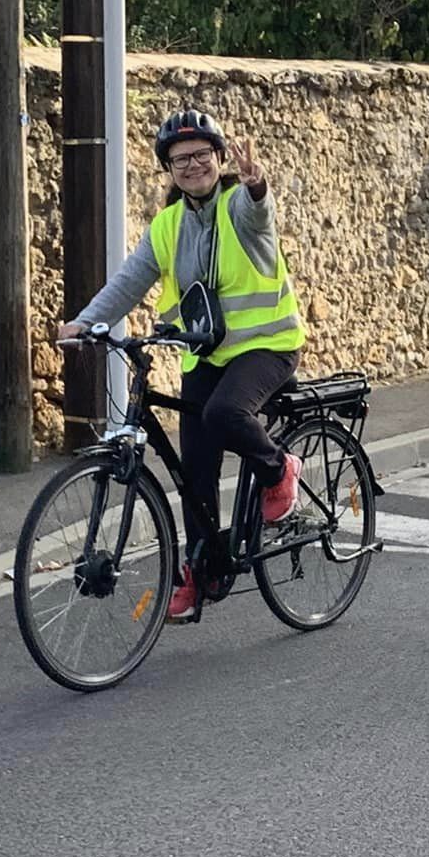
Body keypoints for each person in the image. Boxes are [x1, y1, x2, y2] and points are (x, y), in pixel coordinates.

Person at [59, 108, 306, 621]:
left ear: (219, 159)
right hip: (208, 353)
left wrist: (258, 186)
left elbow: (260, 214)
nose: (191, 166)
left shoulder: (238, 204)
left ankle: (280, 469)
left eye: (200, 156)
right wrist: (84, 324)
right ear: (168, 170)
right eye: (179, 160)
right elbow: (129, 281)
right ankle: (202, 570)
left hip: (266, 346)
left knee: (223, 415)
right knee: (194, 472)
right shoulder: (168, 226)